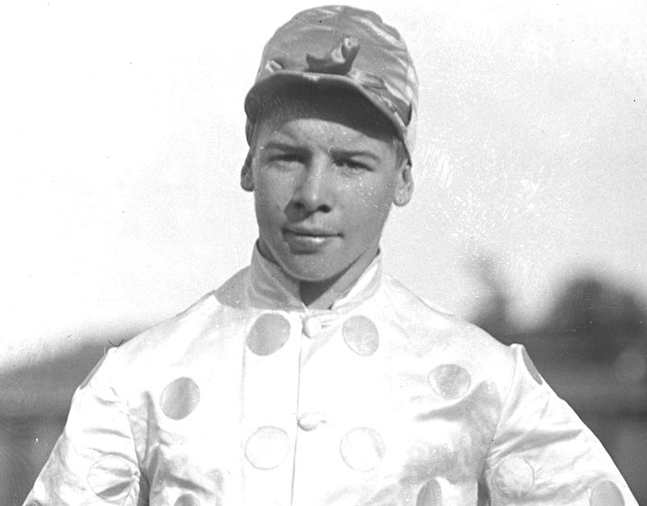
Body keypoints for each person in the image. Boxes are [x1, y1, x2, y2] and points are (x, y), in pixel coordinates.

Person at [24, 5, 637, 506]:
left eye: (351, 164)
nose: (313, 196)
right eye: (288, 157)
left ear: (401, 179)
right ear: (248, 164)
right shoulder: (136, 382)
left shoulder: (484, 378)